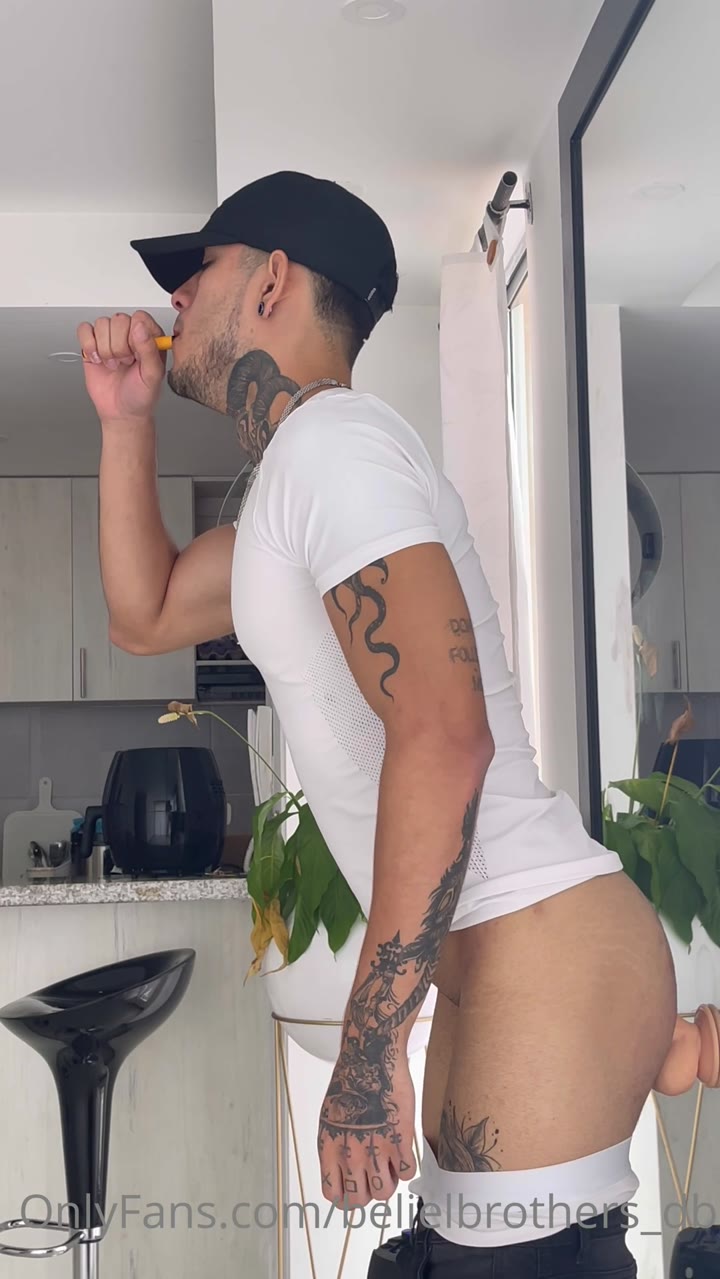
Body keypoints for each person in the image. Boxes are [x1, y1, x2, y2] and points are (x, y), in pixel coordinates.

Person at [78, 171, 677, 1276]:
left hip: (537, 947)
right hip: (512, 963)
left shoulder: (335, 450)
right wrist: (124, 422)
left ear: (270, 282)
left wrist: (365, 1058)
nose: (174, 301)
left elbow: (444, 735)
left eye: (195, 271)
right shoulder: (297, 482)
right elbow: (144, 612)